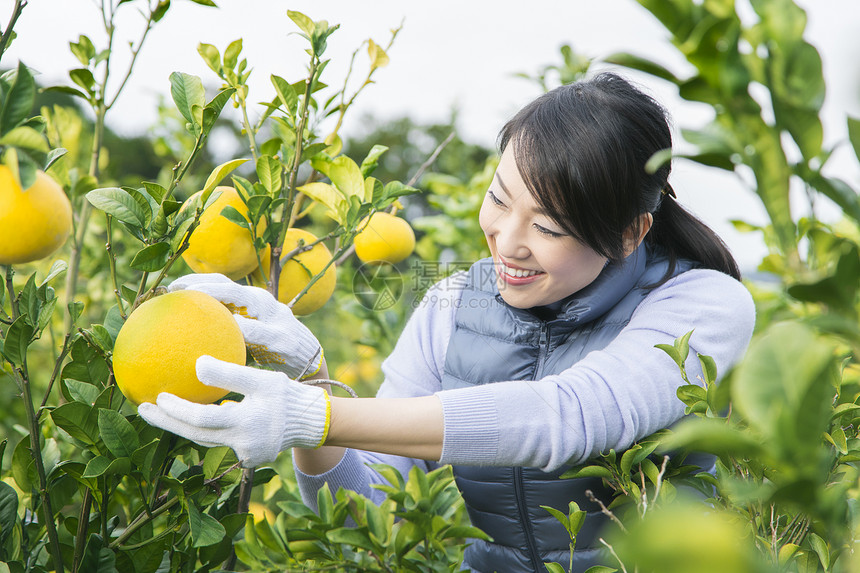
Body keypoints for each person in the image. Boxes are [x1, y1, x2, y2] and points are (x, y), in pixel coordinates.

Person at [139, 72, 756, 573]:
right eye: (499, 199)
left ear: (629, 233)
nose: (507, 243)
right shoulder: (452, 307)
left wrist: (316, 415)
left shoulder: (702, 307)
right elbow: (368, 515)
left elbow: (564, 419)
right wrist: (312, 388)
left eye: (547, 227)